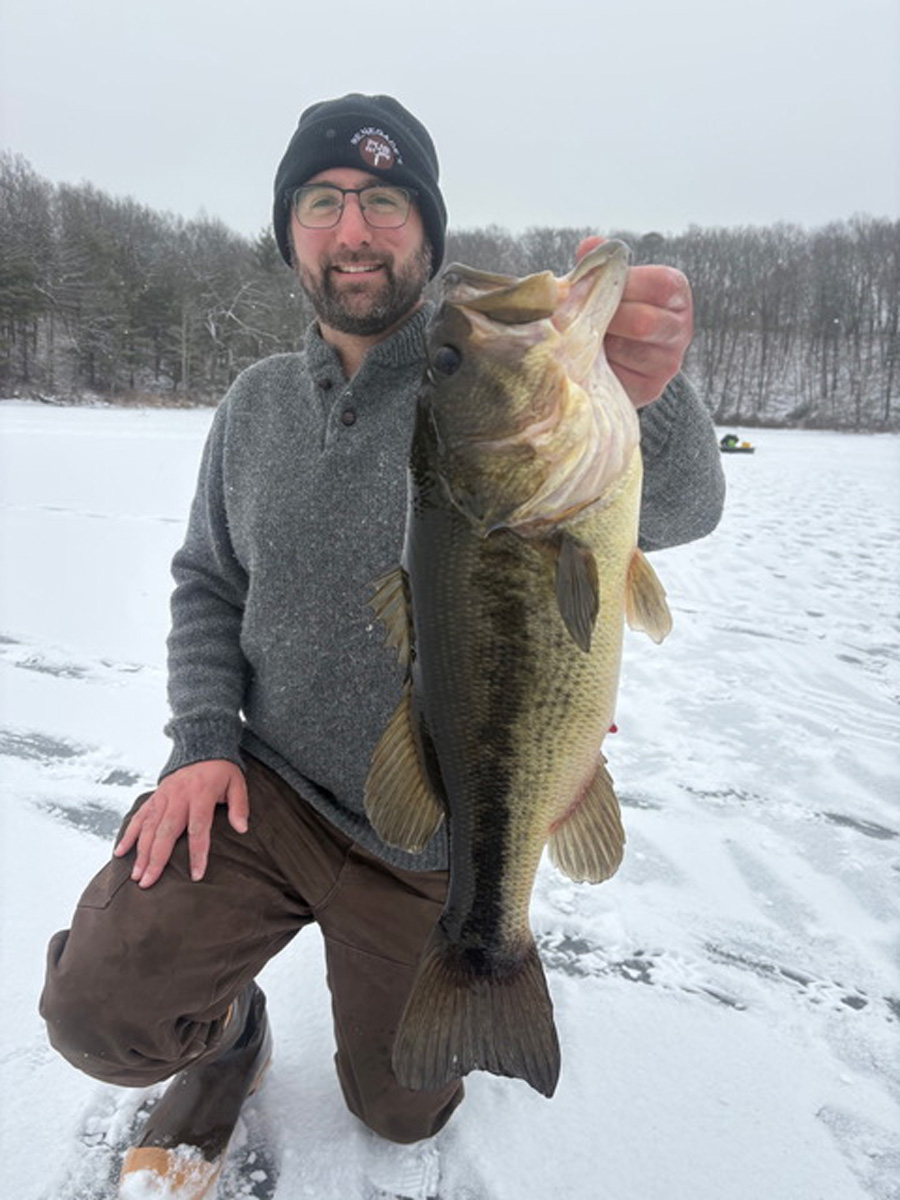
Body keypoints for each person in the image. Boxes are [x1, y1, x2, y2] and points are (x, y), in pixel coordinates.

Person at [40, 94, 726, 1200]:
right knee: (99, 1012)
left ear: (428, 232)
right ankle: (231, 1036)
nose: (353, 229)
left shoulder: (493, 376)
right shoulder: (254, 405)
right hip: (265, 789)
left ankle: (463, 961)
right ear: (291, 234)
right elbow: (208, 582)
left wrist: (648, 391)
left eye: (386, 201)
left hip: (432, 821)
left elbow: (683, 507)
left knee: (404, 1111)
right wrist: (201, 743)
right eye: (323, 202)